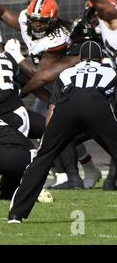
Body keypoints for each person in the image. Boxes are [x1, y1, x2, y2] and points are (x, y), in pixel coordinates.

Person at [0, 0, 102, 189]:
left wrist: (17, 59)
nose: (36, 24)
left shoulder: (58, 38)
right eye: (34, 19)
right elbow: (6, 15)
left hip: (65, 83)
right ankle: (81, 171)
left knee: (56, 130)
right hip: (51, 86)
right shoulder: (29, 19)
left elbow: (41, 74)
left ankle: (69, 176)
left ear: (52, 21)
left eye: (42, 21)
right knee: (52, 130)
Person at [8, 41, 117, 223]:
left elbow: (52, 107)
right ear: (101, 58)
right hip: (97, 104)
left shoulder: (67, 72)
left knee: (43, 159)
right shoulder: (111, 71)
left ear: (80, 58)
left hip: (68, 107)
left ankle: (16, 214)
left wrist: (50, 140)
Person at [57, 0, 117, 190]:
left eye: (93, 12)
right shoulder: (101, 30)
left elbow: (99, 1)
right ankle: (101, 179)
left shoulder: (111, 16)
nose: (90, 17)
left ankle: (111, 181)